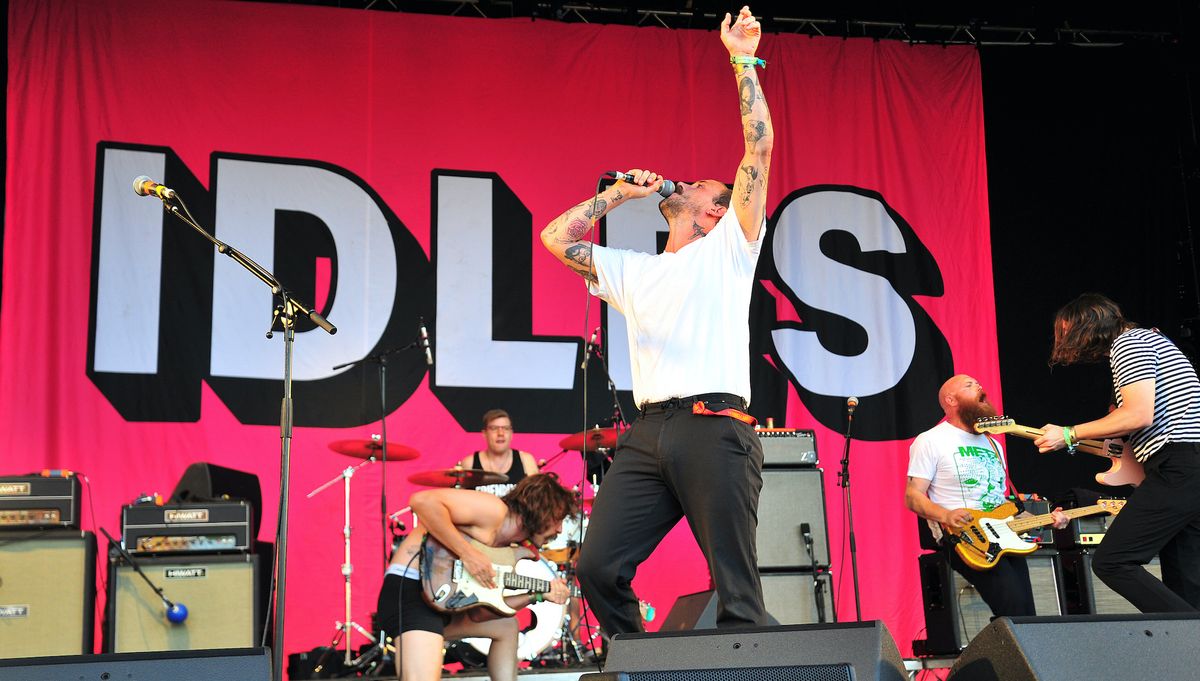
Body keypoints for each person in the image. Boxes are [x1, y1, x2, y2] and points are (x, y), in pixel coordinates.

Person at [539, 6, 773, 635]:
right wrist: (618, 194)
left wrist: (742, 59)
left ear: (715, 211)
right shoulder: (636, 270)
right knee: (596, 567)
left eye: (698, 187)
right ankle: (638, 664)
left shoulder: (730, 247)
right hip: (647, 433)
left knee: (735, 588)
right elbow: (556, 238)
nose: (686, 187)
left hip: (713, 425)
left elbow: (760, 146)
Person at [1033, 293, 1200, 612]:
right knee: (1187, 582)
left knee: (1113, 561)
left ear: (1088, 323)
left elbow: (1138, 414)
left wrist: (1068, 434)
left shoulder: (1129, 344)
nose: (1067, 342)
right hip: (1187, 465)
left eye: (1068, 332)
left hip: (1179, 465)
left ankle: (1185, 634)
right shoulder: (1150, 340)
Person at [374, 474, 576, 681]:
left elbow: (479, 615)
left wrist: (538, 595)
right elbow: (422, 501)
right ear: (542, 508)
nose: (559, 529)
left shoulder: (507, 548)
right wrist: (467, 554)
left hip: (441, 605)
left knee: (507, 627)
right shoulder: (495, 510)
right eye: (558, 519)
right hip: (410, 590)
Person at [906, 374, 1068, 618]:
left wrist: (1048, 520)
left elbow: (999, 501)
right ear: (951, 399)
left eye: (979, 384)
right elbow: (912, 496)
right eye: (969, 385)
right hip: (964, 536)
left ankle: (1007, 654)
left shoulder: (993, 444)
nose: (980, 387)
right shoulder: (931, 440)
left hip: (1003, 532)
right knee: (1013, 609)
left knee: (1026, 614)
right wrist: (946, 515)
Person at [457, 409, 540, 497]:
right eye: (494, 428)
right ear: (484, 434)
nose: (500, 433)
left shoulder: (526, 461)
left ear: (511, 434)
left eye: (506, 428)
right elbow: (460, 502)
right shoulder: (469, 463)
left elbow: (536, 500)